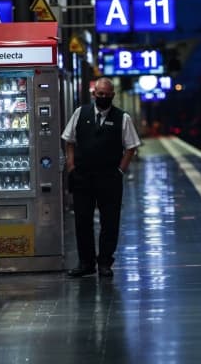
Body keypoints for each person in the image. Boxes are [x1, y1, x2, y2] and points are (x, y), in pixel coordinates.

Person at [61, 77, 141, 278]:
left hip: (109, 178)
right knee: (82, 220)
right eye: (99, 94)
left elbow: (131, 146)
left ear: (112, 95)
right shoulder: (81, 113)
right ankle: (86, 263)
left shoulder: (123, 118)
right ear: (93, 94)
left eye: (106, 95)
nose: (102, 97)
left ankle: (105, 262)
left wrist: (120, 170)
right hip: (83, 176)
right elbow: (68, 139)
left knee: (110, 221)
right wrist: (71, 165)